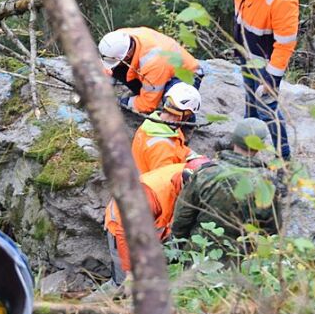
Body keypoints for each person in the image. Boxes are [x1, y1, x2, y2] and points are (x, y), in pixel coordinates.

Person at [221, 0, 299, 160]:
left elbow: (285, 44)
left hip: (265, 63)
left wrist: (270, 79)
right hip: (247, 54)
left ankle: (283, 158)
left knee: (268, 110)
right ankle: (245, 146)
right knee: (250, 103)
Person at [171, 117, 282, 251]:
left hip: (200, 255)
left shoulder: (205, 173)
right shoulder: (267, 182)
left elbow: (182, 218)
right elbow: (272, 230)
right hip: (242, 261)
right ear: (260, 146)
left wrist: (179, 248)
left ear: (234, 139)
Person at [103, 161, 189, 286]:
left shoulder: (199, 172)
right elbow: (125, 231)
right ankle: (83, 305)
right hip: (120, 228)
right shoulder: (150, 194)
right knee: (123, 285)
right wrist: (130, 271)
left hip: (153, 229)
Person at [98, 26, 200, 114]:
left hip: (187, 75)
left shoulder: (152, 62)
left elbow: (148, 105)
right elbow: (107, 65)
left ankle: (184, 126)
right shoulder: (120, 37)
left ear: (128, 55)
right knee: (117, 67)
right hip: (159, 68)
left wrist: (120, 102)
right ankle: (149, 92)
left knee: (174, 104)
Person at [131, 82, 203, 174]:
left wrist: (194, 157)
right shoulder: (162, 147)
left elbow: (179, 149)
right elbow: (165, 181)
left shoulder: (157, 123)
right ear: (184, 115)